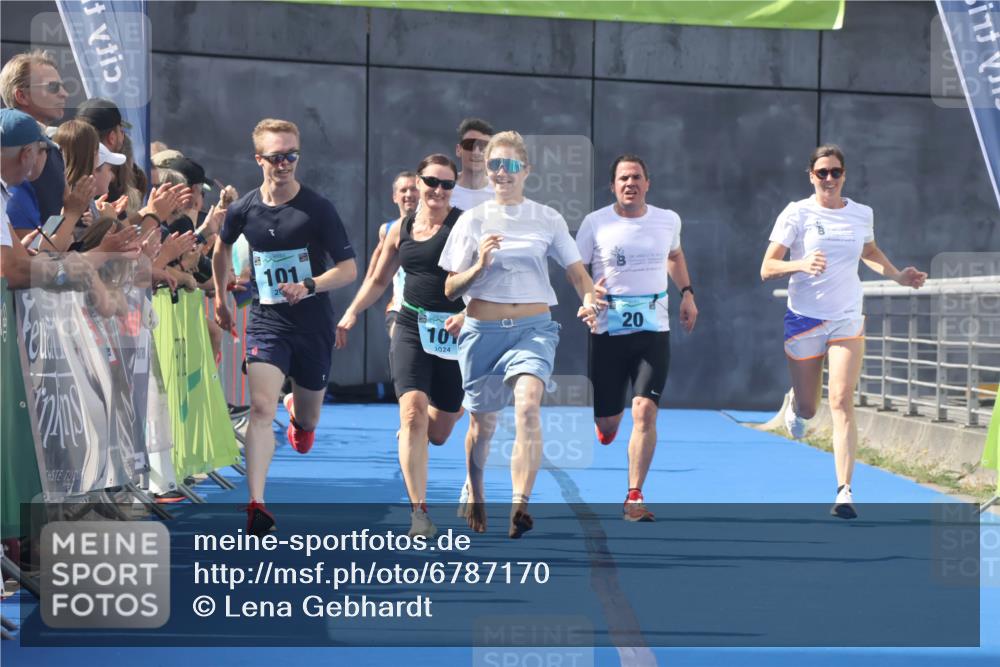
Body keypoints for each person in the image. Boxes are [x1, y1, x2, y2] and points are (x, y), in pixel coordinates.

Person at [439, 130, 601, 538]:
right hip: (482, 332)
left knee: (528, 406)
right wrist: (480, 265)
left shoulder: (546, 217)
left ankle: (519, 505)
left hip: (533, 329)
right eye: (494, 164)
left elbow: (577, 272)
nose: (501, 172)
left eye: (510, 165)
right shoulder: (472, 220)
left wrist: (588, 299)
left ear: (526, 170)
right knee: (483, 426)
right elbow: (450, 287)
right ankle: (476, 492)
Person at [760, 144, 926, 519]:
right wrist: (800, 263)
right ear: (811, 176)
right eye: (823, 173)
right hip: (804, 318)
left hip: (847, 317)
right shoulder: (797, 213)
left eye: (836, 172)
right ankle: (797, 409)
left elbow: (869, 252)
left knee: (840, 399)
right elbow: (766, 267)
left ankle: (844, 491)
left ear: (845, 175)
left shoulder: (861, 214)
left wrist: (898, 275)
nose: (830, 179)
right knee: (809, 406)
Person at [212, 118, 357, 536]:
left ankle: (300, 415)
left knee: (308, 421)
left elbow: (348, 269)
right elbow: (220, 249)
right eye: (276, 157)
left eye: (292, 155)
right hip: (267, 321)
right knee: (260, 407)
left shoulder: (317, 208)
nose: (285, 164)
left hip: (312, 325)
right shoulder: (244, 210)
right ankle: (256, 503)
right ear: (259, 160)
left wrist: (310, 284)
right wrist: (222, 298)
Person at [336, 155, 466, 538]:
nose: (438, 190)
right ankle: (419, 513)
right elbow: (378, 279)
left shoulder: (464, 225)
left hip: (453, 331)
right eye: (432, 182)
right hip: (409, 322)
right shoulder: (400, 229)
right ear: (420, 182)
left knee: (438, 431)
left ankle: (430, 424)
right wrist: (352, 312)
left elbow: (485, 277)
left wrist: (471, 314)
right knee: (411, 414)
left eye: (447, 184)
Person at [576, 154, 699, 522]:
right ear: (613, 185)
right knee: (609, 422)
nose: (630, 184)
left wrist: (688, 293)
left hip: (652, 330)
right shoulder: (595, 223)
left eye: (637, 178)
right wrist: (587, 294)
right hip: (608, 330)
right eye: (623, 178)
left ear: (648, 183)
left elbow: (675, 255)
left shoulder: (667, 220)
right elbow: (576, 267)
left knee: (644, 411)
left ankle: (634, 495)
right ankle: (606, 426)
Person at [0, 50, 69, 219]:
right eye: (53, 87)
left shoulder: (53, 148)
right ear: (22, 96)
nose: (64, 94)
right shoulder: (13, 157)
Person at [369, 171, 417, 340]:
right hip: (399, 308)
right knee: (400, 349)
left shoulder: (436, 229)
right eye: (403, 190)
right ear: (395, 197)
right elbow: (376, 272)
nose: (409, 194)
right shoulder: (387, 230)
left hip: (429, 311)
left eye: (413, 189)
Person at [450, 118, 495, 211]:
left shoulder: (501, 193)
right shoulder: (440, 189)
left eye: (483, 146)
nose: (476, 152)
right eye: (469, 145)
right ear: (458, 150)